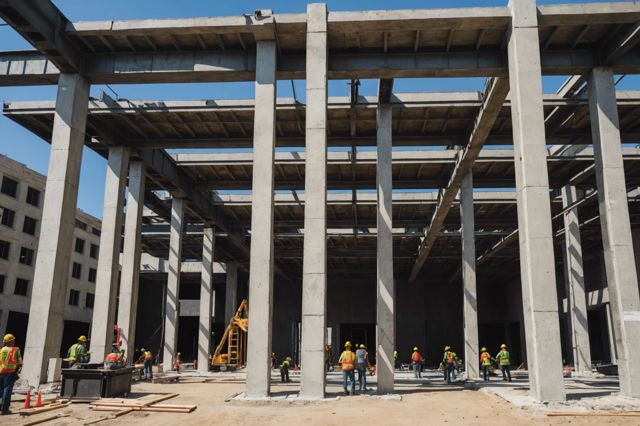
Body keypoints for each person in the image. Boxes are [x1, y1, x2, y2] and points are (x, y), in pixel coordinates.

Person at [0, 334, 22, 415]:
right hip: (10, 372)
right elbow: (20, 362)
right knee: (7, 391)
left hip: (1, 372)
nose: (14, 341)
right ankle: (5, 409)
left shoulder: (2, 350)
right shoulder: (16, 350)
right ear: (10, 341)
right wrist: (17, 371)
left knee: (1, 390)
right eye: (13, 340)